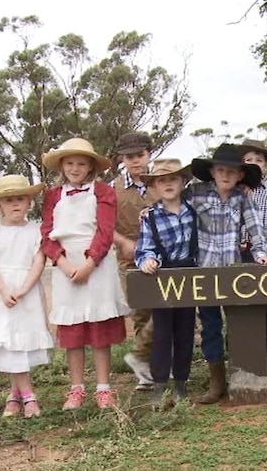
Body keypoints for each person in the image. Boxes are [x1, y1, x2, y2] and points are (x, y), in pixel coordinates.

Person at [41, 138, 129, 410]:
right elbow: (46, 233)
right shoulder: (53, 195)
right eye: (70, 163)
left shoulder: (104, 192)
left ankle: (103, 388)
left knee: (99, 326)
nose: (75, 168)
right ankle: (76, 388)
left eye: (81, 163)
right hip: (66, 265)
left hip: (98, 265)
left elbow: (105, 231)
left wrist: (89, 265)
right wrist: (64, 263)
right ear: (62, 165)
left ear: (91, 166)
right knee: (74, 331)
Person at [185, 144, 267, 404]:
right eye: (220, 170)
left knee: (237, 321)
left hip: (233, 271)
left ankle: (241, 375)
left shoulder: (242, 198)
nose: (225, 175)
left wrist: (260, 254)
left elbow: (256, 229)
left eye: (231, 171)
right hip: (203, 269)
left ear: (240, 176)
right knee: (210, 325)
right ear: (212, 171)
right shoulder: (195, 193)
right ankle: (216, 380)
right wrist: (152, 211)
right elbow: (172, 210)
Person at [0, 175, 54, 418]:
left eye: (20, 199)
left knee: (21, 342)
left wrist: (25, 288)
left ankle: (14, 395)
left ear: (29, 203)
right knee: (8, 340)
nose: (15, 204)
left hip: (26, 290)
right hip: (0, 291)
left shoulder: (36, 231)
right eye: (8, 200)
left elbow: (39, 260)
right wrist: (4, 290)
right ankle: (28, 396)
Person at [134, 159, 197, 410]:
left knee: (185, 332)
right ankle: (159, 385)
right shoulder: (150, 217)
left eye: (173, 179)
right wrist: (148, 260)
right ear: (155, 187)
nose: (168, 184)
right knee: (162, 334)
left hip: (189, 274)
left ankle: (181, 384)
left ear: (182, 183)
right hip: (162, 277)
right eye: (162, 180)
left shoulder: (193, 211)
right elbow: (144, 247)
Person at [112, 132, 159, 391]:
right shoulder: (113, 187)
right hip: (129, 261)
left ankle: (159, 361)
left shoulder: (161, 182)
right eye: (130, 157)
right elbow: (104, 225)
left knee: (165, 310)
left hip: (164, 260)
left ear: (149, 154)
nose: (136, 161)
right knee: (140, 313)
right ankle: (146, 372)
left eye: (140, 155)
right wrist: (123, 243)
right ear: (122, 158)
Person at [237, 139, 267, 362]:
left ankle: (265, 350)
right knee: (239, 299)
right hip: (239, 250)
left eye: (259, 160)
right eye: (249, 160)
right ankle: (239, 350)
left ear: (266, 164)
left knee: (266, 301)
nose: (254, 164)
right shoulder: (236, 189)